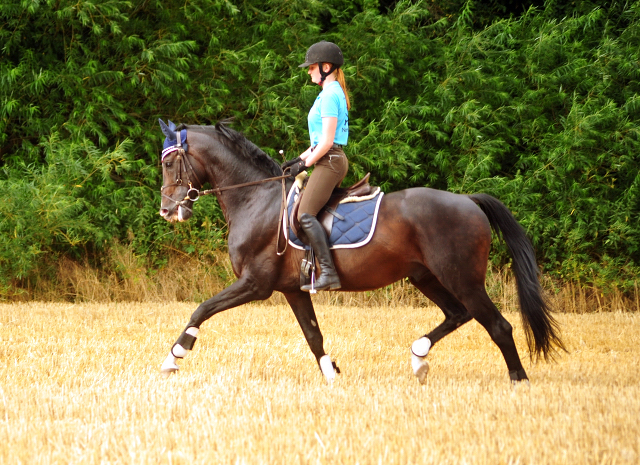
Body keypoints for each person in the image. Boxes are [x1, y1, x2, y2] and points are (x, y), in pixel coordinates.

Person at [281, 41, 351, 292]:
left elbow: (328, 142)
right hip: (325, 158)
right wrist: (296, 161)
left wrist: (305, 163)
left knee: (304, 214)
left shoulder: (332, 94)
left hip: (330, 161)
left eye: (312, 67)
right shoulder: (327, 93)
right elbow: (318, 142)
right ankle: (310, 268)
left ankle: (329, 274)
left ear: (326, 66)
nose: (308, 71)